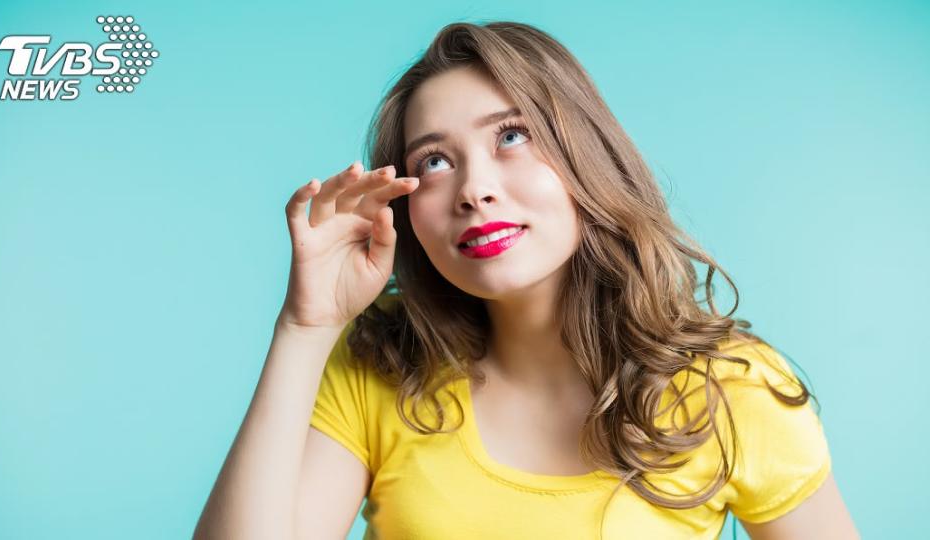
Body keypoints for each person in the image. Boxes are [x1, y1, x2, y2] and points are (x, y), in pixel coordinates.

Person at [194, 21, 859, 539]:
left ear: (587, 155)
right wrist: (306, 328)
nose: (474, 189)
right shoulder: (378, 364)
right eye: (433, 161)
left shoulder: (734, 388)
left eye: (511, 137)